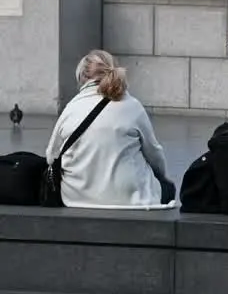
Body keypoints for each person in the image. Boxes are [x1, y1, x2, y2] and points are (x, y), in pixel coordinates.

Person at [46, 50, 174, 209]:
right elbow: (154, 154)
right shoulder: (132, 106)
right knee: (168, 189)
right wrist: (161, 176)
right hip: (131, 198)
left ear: (83, 77)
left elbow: (51, 156)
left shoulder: (71, 108)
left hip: (75, 197)